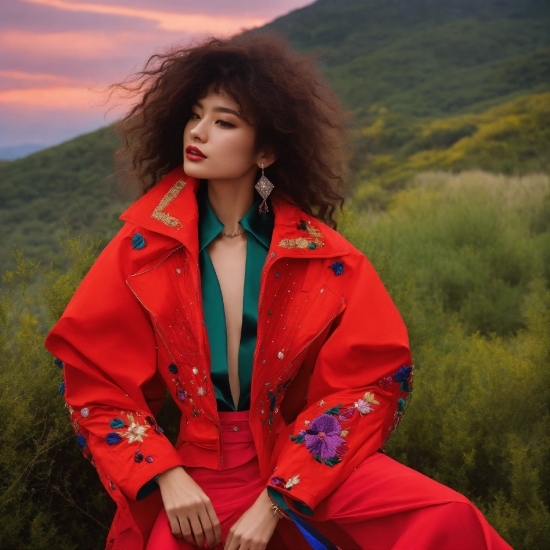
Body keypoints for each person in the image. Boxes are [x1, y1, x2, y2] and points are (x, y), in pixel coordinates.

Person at [45, 34, 512, 550]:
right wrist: (165, 475)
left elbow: (372, 383)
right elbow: (95, 380)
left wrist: (277, 499)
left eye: (224, 122)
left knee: (448, 516)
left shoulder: (327, 259)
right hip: (197, 473)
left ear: (265, 150)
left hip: (300, 460)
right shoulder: (139, 252)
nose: (198, 132)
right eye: (195, 115)